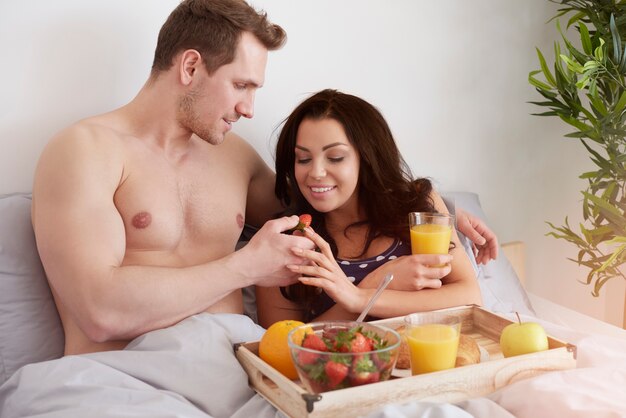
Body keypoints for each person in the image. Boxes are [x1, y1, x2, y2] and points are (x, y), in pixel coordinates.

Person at [31, 0, 315, 356]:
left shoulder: (236, 156)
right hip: (123, 381)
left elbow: (319, 212)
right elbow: (99, 311)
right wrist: (246, 267)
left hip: (236, 374)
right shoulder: (84, 150)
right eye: (241, 85)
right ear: (191, 66)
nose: (249, 108)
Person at [256, 89, 485, 327]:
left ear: (367, 158)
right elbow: (283, 346)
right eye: (303, 159)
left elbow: (470, 297)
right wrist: (376, 284)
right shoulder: (284, 241)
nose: (315, 173)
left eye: (335, 157)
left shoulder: (418, 204)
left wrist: (360, 298)